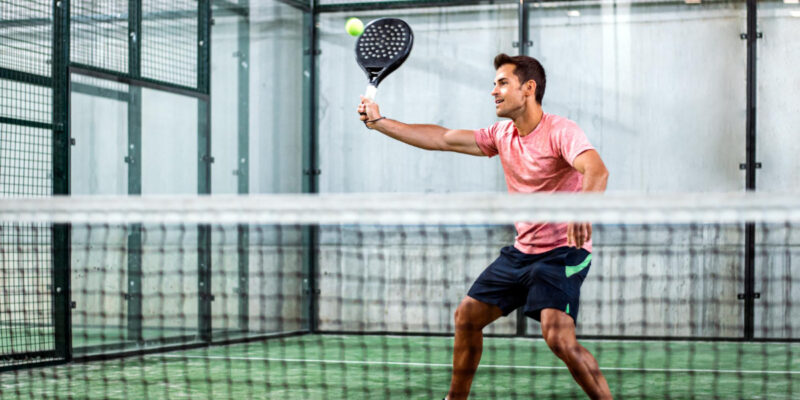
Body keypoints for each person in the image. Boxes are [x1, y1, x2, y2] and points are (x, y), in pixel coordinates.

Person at [357, 53, 612, 400]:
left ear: (529, 89)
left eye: (502, 83)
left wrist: (583, 211)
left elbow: (596, 170)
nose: (493, 91)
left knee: (559, 339)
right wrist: (381, 122)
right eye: (494, 83)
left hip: (563, 253)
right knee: (466, 317)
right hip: (521, 252)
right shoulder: (501, 134)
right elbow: (443, 138)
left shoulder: (560, 131)